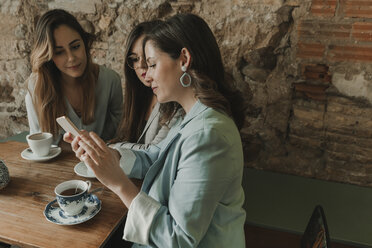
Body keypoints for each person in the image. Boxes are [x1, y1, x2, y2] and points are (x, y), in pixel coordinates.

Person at [65, 13, 246, 247]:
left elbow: (178, 239)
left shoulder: (208, 135)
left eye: (152, 64)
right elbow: (158, 157)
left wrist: (119, 183)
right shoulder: (193, 116)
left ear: (184, 59)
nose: (147, 75)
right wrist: (110, 156)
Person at [25, 9, 123, 147]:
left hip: (99, 164)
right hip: (54, 167)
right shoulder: (36, 88)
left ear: (85, 43)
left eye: (75, 46)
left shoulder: (110, 81)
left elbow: (119, 137)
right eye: (59, 52)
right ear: (48, 56)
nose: (71, 58)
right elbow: (39, 147)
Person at [110, 20, 180, 150]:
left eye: (148, 59)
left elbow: (153, 152)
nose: (141, 66)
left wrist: (110, 148)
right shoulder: (138, 97)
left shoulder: (173, 98)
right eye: (135, 59)